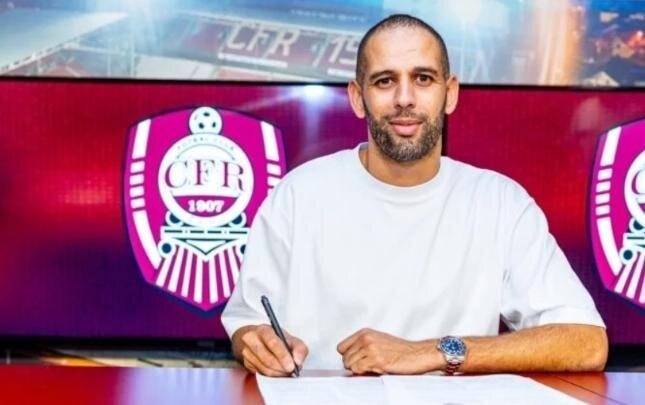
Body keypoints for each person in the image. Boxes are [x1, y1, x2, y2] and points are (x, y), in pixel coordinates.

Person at [221, 14, 608, 376]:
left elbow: (587, 343)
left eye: (423, 78)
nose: (404, 98)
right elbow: (247, 326)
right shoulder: (297, 195)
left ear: (450, 93)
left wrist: (434, 352)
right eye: (384, 81)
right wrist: (255, 343)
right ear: (357, 97)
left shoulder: (500, 203)